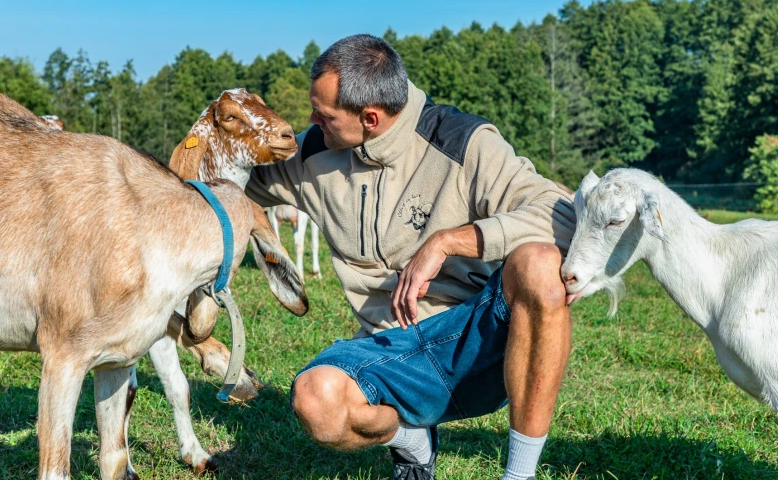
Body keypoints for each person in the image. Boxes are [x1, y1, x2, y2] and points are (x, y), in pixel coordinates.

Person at [245, 34, 575, 480]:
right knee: (315, 399)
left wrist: (446, 241)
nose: (310, 121)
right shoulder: (314, 151)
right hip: (389, 352)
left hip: (476, 340)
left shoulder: (462, 141)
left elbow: (562, 218)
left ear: (371, 117)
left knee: (538, 262)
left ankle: (520, 474)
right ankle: (412, 440)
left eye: (322, 115)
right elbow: (229, 182)